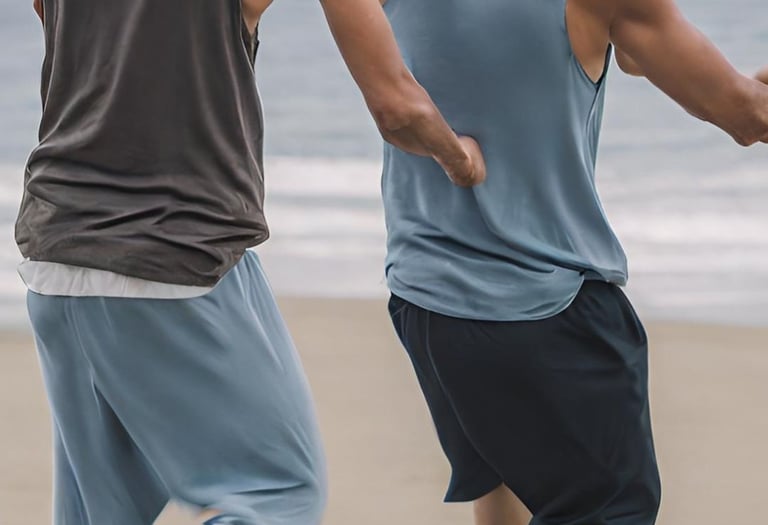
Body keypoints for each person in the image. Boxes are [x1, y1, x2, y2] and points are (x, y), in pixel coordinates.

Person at [19, 0, 483, 524]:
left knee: (99, 514)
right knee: (277, 493)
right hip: (175, 253)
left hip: (57, 249)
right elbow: (396, 107)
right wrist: (460, 159)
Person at [380, 0, 768, 524]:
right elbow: (746, 115)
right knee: (613, 510)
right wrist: (743, 94)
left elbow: (630, 52)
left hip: (426, 297)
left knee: (506, 487)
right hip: (544, 305)